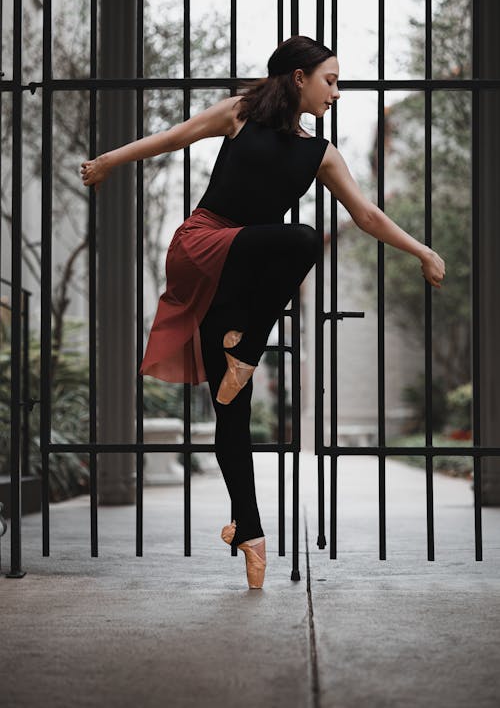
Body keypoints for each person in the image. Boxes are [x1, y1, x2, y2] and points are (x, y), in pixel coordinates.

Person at [80, 35, 446, 590]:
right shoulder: (240, 113)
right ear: (298, 78)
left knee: (233, 410)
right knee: (299, 237)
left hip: (240, 285)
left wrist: (420, 250)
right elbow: (176, 136)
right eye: (330, 80)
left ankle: (248, 533)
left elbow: (367, 214)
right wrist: (110, 160)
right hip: (203, 249)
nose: (337, 92)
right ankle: (247, 354)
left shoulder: (319, 153)